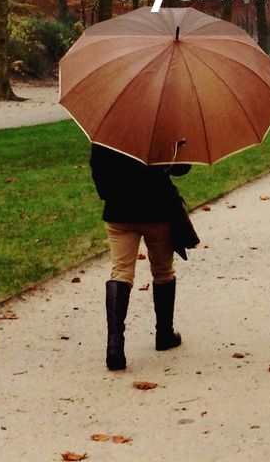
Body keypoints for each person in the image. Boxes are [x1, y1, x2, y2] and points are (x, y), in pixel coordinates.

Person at [90, 143, 191, 371]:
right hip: (157, 210)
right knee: (163, 271)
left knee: (121, 271)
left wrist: (110, 194)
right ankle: (164, 334)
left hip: (119, 211)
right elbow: (182, 168)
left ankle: (115, 345)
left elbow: (97, 170)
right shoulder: (165, 127)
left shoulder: (109, 132)